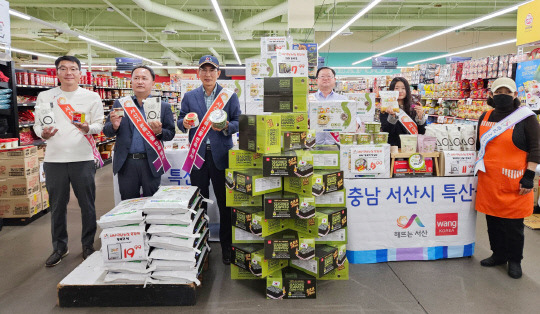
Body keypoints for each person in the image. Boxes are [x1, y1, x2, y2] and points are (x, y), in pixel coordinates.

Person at [33, 56, 104, 266]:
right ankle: (59, 248)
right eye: (63, 69)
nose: (68, 73)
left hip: (82, 158)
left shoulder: (91, 96)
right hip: (54, 160)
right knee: (57, 206)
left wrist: (88, 129)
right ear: (57, 72)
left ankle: (88, 246)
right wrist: (43, 134)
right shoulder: (45, 96)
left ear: (80, 73)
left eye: (73, 69)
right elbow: (38, 125)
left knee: (87, 205)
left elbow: (99, 124)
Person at [178, 55, 241, 265]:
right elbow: (181, 120)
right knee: (199, 204)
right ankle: (201, 248)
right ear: (198, 73)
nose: (207, 74)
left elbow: (237, 121)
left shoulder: (229, 96)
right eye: (203, 70)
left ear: (218, 73)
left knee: (226, 205)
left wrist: (226, 128)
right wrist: (185, 124)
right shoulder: (189, 96)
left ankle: (227, 249)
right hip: (198, 157)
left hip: (222, 156)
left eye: (211, 70)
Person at [475, 77, 540, 279]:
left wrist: (529, 176)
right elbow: (479, 146)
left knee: (513, 226)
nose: (503, 95)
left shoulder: (526, 118)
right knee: (493, 221)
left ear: (515, 95)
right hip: (489, 180)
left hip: (515, 182)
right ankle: (498, 255)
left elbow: (536, 149)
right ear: (492, 95)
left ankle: (515, 260)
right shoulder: (484, 116)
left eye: (507, 91)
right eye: (498, 91)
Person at [103, 65, 175, 200]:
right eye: (136, 78)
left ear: (153, 83)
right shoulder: (121, 103)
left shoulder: (163, 106)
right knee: (128, 203)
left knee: (152, 203)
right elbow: (106, 132)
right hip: (126, 163)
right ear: (131, 81)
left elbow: (170, 134)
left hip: (151, 162)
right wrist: (114, 126)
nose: (140, 81)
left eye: (144, 78)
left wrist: (159, 132)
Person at [380, 77, 425, 147]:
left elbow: (422, 132)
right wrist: (392, 116)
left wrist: (420, 117)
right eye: (397, 88)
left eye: (403, 88)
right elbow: (387, 132)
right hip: (395, 150)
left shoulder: (414, 108)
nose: (400, 91)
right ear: (392, 90)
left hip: (412, 148)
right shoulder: (385, 108)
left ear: (407, 90)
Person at [312, 67, 347, 145]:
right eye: (322, 76)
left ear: (334, 79)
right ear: (317, 80)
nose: (325, 79)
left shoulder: (343, 99)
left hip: (337, 144)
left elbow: (354, 117)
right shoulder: (309, 99)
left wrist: (355, 124)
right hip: (312, 145)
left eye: (329, 76)